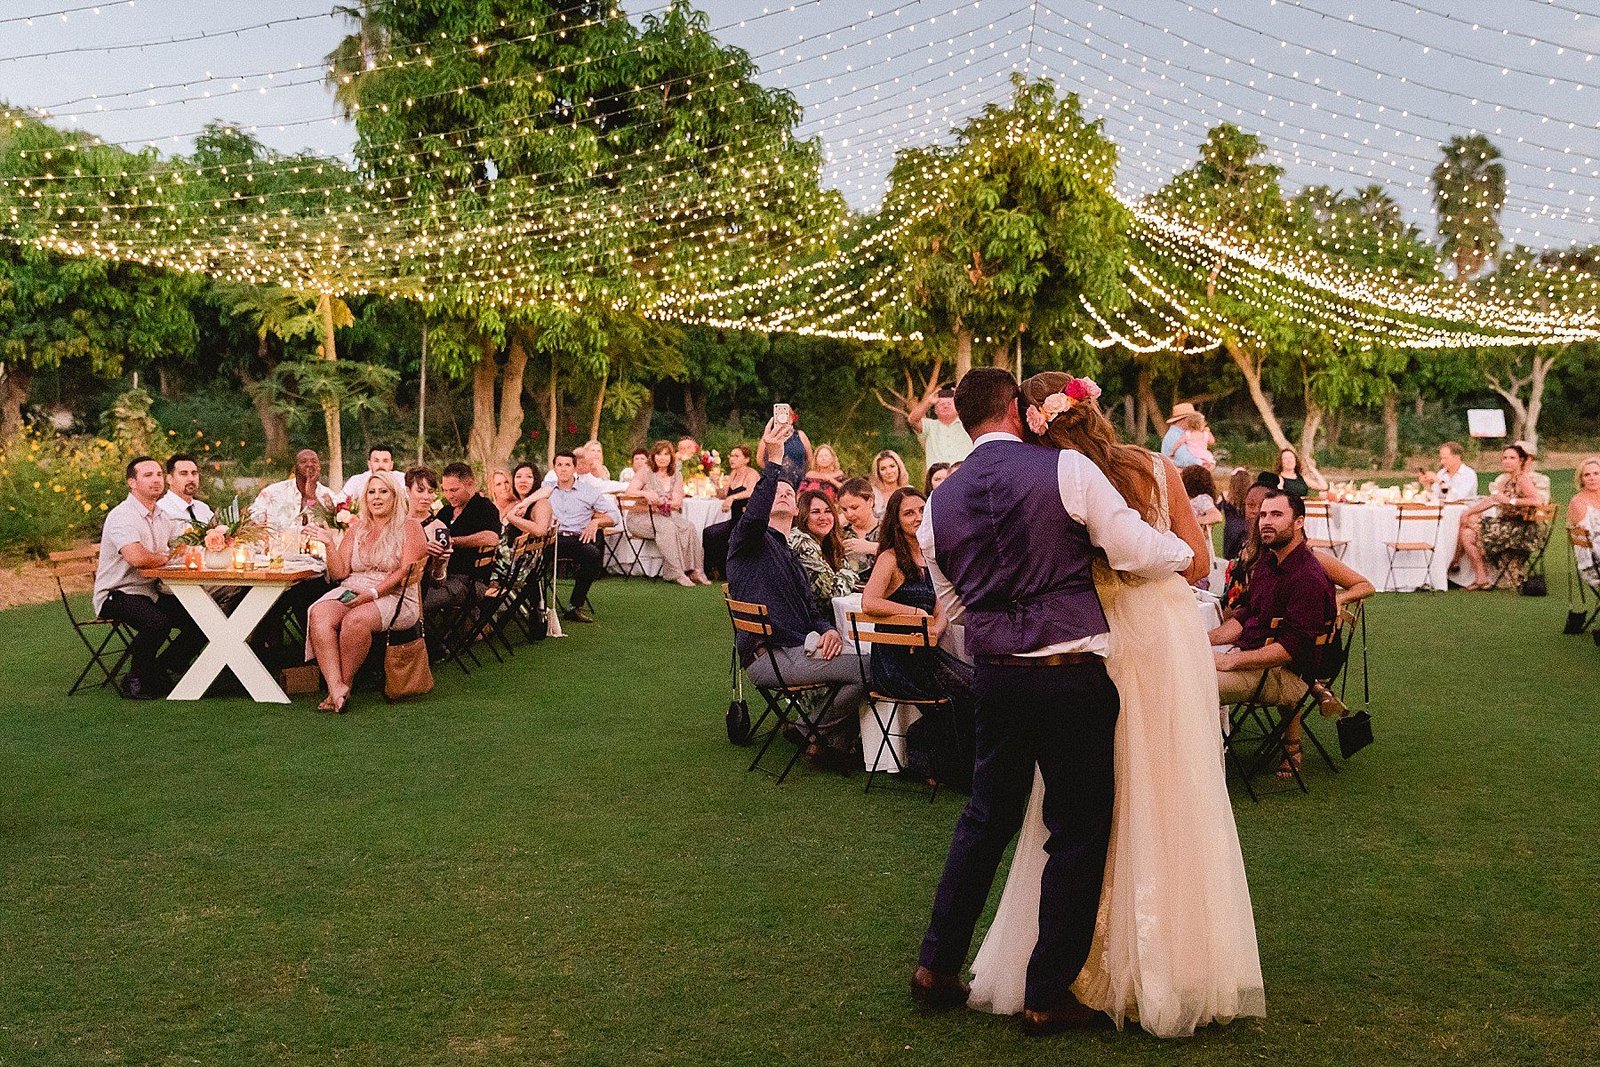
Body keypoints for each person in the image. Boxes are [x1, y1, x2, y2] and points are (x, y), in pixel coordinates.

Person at [953, 371, 1261, 1038]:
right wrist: (1172, 556)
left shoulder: (1042, 471)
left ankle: (1081, 964)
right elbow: (1201, 564)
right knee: (1163, 787)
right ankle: (1164, 962)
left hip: (1092, 632)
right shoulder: (1153, 467)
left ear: (1034, 418)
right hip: (1161, 636)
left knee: (1077, 804)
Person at [727, 418, 868, 769]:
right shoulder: (749, 541)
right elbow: (758, 509)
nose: (786, 492)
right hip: (770, 657)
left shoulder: (788, 550)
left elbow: (811, 611)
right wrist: (773, 461)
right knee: (873, 667)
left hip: (796, 648)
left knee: (870, 663)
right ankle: (813, 730)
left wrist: (828, 630)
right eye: (778, 491)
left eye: (791, 492)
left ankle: (818, 736)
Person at [1209, 491, 1339, 780]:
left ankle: (1199, 767)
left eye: (1277, 515)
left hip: (1288, 676)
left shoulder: (1308, 577)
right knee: (1178, 666)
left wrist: (1231, 662)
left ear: (1299, 522)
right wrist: (1207, 638)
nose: (1266, 522)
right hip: (1258, 664)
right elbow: (1247, 615)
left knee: (1193, 681)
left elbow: (1291, 649)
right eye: (1264, 515)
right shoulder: (1269, 563)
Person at [858, 485, 976, 786]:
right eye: (909, 513)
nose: (918, 517)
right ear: (897, 522)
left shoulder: (931, 555)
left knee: (978, 686)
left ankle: (926, 748)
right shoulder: (890, 558)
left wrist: (935, 629)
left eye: (922, 510)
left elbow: (942, 607)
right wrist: (913, 614)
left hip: (924, 653)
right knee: (968, 693)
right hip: (895, 661)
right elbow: (869, 602)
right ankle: (953, 770)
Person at [304, 471, 426, 713]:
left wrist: (371, 594)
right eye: (371, 492)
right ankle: (335, 687)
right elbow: (340, 573)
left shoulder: (410, 527)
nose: (376, 498)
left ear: (395, 496)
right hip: (354, 587)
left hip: (396, 595)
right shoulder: (357, 527)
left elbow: (404, 572)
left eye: (383, 492)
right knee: (319, 613)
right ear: (365, 498)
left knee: (355, 620)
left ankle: (344, 685)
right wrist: (329, 544)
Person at [93, 456, 205, 699]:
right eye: (147, 476)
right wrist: (166, 557)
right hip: (118, 593)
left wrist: (175, 552)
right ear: (131, 483)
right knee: (157, 623)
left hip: (151, 591)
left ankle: (160, 668)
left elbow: (184, 547)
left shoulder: (163, 515)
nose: (155, 480)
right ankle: (135, 679)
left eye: (157, 475)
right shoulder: (122, 516)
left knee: (204, 619)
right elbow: (136, 557)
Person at [1458, 442, 1546, 589]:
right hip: (1506, 525)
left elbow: (1536, 500)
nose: (1507, 461)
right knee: (1467, 532)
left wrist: (1511, 501)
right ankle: (1482, 578)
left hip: (1522, 528)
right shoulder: (1506, 480)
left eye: (1512, 458)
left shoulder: (1522, 479)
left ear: (1521, 461)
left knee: (1468, 533)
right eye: (1504, 458)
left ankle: (1480, 576)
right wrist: (1469, 512)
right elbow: (1493, 499)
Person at [547, 450, 620, 623]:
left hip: (576, 538)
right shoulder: (546, 488)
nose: (563, 469)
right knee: (532, 559)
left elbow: (615, 516)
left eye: (567, 465)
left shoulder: (589, 491)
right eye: (559, 465)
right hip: (551, 537)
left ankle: (574, 606)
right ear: (554, 468)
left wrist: (595, 523)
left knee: (592, 554)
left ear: (574, 468)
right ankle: (538, 606)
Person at [626, 440, 710, 587]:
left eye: (666, 454)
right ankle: (676, 573)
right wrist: (645, 493)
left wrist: (665, 502)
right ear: (653, 456)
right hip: (641, 517)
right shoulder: (646, 471)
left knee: (688, 526)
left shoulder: (676, 475)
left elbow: (677, 501)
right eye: (659, 454)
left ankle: (696, 570)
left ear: (671, 457)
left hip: (665, 514)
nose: (662, 457)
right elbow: (630, 492)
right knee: (667, 527)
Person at [422, 463, 503, 616]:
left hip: (469, 582)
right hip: (440, 575)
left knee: (420, 602)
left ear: (470, 485)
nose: (449, 495)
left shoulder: (485, 508)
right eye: (445, 490)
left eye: (454, 490)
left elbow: (492, 538)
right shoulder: (446, 512)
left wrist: (452, 541)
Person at [788, 489, 859, 614]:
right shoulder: (801, 542)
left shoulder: (828, 543)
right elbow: (832, 592)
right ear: (803, 515)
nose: (823, 517)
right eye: (815, 512)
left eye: (828, 511)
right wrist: (851, 571)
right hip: (806, 622)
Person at [702, 444, 759, 581]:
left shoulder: (752, 474)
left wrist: (732, 498)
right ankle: (712, 569)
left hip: (746, 520)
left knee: (722, 535)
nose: (732, 459)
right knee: (709, 532)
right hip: (734, 520)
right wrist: (716, 484)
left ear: (746, 459)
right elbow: (724, 495)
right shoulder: (733, 474)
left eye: (736, 456)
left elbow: (751, 491)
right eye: (731, 456)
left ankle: (724, 570)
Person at [250, 448, 335, 532]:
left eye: (314, 461)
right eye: (303, 462)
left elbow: (332, 528)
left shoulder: (329, 496)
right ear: (294, 468)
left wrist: (311, 497)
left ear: (319, 467)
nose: (309, 464)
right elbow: (253, 522)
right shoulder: (272, 493)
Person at [405, 466, 451, 587]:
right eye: (420, 490)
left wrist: (439, 565)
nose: (426, 497)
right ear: (408, 491)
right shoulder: (395, 521)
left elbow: (438, 583)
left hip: (419, 590)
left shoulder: (439, 529)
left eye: (430, 492)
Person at [909, 386, 974, 469]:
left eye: (949, 404)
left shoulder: (968, 424)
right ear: (935, 410)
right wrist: (928, 402)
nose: (946, 406)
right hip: (938, 477)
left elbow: (983, 414)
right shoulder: (930, 426)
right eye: (942, 404)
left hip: (964, 474)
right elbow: (912, 419)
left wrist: (965, 398)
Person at [754, 404, 814, 488]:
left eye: (787, 414)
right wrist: (772, 471)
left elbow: (810, 459)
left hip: (798, 481)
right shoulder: (768, 437)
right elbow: (759, 459)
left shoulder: (800, 435)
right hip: (774, 481)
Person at [337, 444, 407, 507]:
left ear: (391, 465)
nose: (381, 465)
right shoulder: (357, 480)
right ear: (369, 464)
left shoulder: (402, 479)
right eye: (376, 461)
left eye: (385, 461)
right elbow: (340, 502)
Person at [1568, 457, 1600, 590]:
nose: (1592, 478)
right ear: (1581, 479)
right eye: (1587, 475)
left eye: (1596, 474)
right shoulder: (1578, 503)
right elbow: (1592, 540)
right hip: (1593, 564)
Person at [837, 476, 880, 576]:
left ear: (870, 502)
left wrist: (873, 548)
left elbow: (906, 556)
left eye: (854, 507)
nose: (849, 514)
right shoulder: (841, 532)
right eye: (844, 509)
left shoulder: (888, 529)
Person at [157, 453, 213, 526]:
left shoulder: (203, 508)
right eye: (184, 474)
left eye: (194, 473)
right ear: (169, 479)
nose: (191, 479)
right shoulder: (161, 511)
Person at [1220, 468, 1254, 561]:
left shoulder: (1225, 495)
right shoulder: (1251, 497)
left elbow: (1216, 509)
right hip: (1247, 527)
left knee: (1229, 559)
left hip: (1231, 530)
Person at [869, 449, 910, 520]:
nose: (888, 471)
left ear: (899, 467)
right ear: (878, 473)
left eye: (892, 466)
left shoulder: (909, 491)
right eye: (883, 469)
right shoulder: (872, 493)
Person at [1159, 402, 1201, 468]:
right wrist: (1203, 461)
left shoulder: (1179, 434)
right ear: (1185, 420)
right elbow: (1184, 460)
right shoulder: (1174, 436)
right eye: (1193, 419)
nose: (1195, 422)